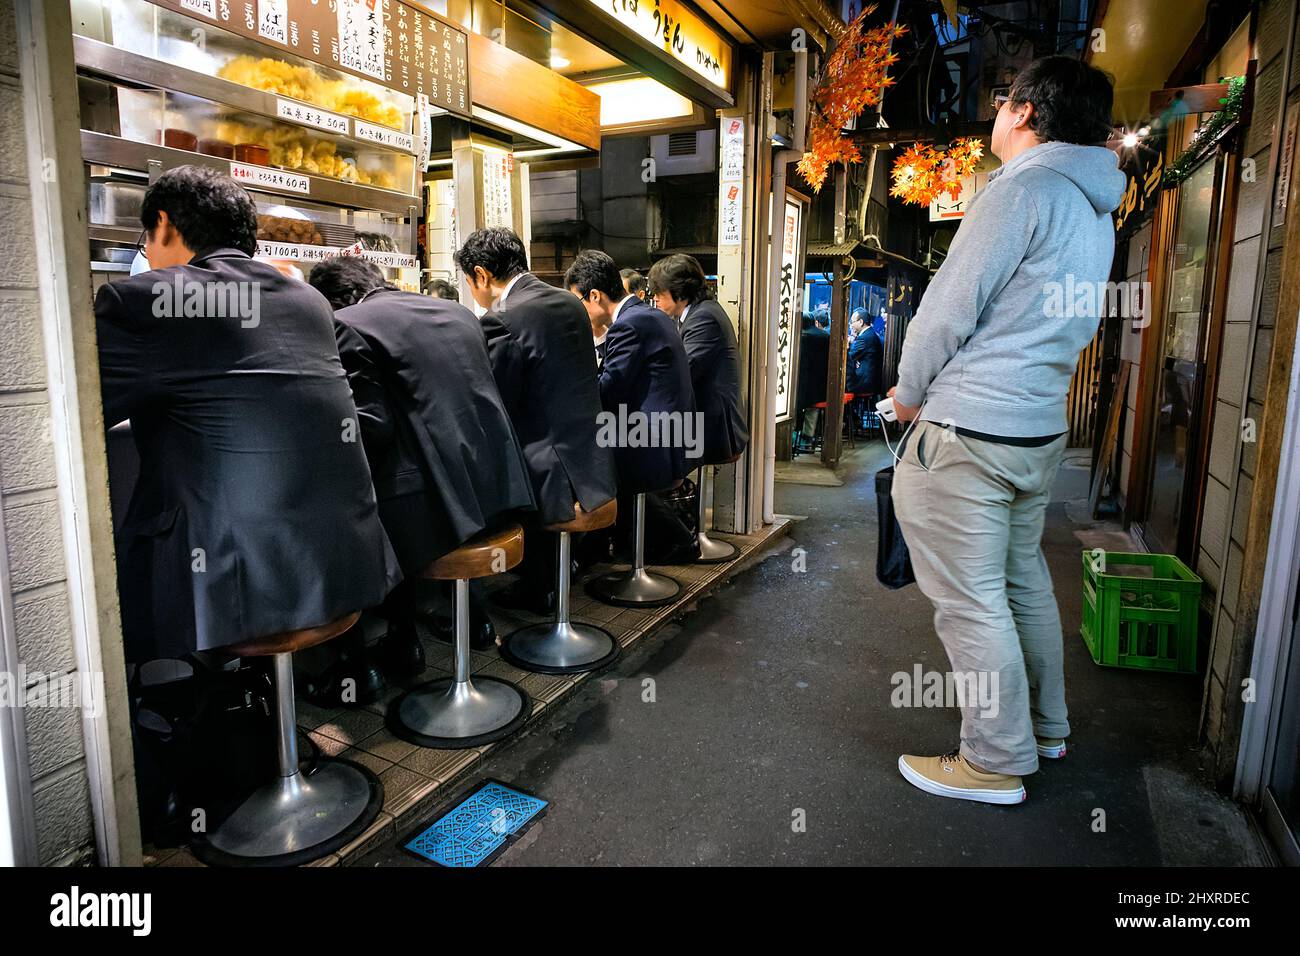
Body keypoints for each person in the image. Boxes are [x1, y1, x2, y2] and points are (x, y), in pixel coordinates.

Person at [889, 55, 1125, 804]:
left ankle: (994, 760)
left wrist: (905, 393)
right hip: (1036, 427)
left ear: (1024, 111)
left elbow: (948, 310)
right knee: (1020, 584)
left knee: (971, 601)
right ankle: (1045, 729)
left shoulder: (1018, 191)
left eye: (1001, 103)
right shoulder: (1095, 206)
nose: (995, 114)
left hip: (970, 430)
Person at [95, 166, 401, 664]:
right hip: (344, 551)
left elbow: (75, 415)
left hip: (239, 579)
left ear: (167, 225)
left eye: (145, 237)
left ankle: (182, 706)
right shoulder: (308, 298)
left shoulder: (145, 299)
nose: (145, 253)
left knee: (106, 574)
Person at [308, 257, 535, 679]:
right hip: (500, 486)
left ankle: (396, 643)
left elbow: (372, 428)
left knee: (367, 508)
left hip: (438, 509)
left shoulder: (349, 324)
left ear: (333, 302)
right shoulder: (459, 312)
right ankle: (475, 621)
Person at [456, 228, 618, 614]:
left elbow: (495, 398)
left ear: (481, 274)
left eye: (469, 282)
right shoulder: (568, 302)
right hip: (592, 458)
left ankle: (522, 593)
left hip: (550, 472)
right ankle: (550, 579)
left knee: (477, 482)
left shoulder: (503, 319)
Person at [568, 250, 698, 563]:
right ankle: (599, 552)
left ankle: (580, 558)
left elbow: (609, 391)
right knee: (602, 451)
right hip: (674, 437)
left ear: (595, 295)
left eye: (578, 302)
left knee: (586, 461)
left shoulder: (629, 325)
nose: (579, 313)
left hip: (653, 444)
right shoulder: (647, 315)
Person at [649, 254, 749, 468]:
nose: (655, 298)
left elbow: (682, 372)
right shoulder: (698, 313)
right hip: (708, 420)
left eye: (659, 292)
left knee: (641, 452)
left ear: (680, 292)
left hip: (716, 428)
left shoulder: (704, 318)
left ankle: (673, 499)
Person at [795, 313, 830, 449]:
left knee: (799, 406)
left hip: (802, 388)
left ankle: (797, 435)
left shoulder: (800, 337)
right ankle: (808, 437)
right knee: (812, 409)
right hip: (822, 387)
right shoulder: (826, 336)